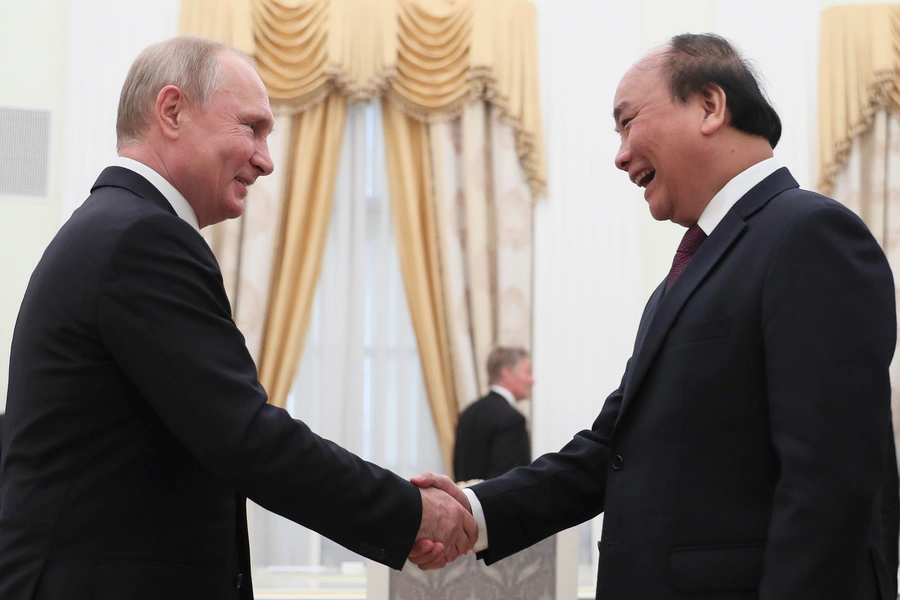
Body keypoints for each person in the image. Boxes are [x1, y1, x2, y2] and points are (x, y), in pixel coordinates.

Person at [410, 33, 900, 598]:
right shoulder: (687, 274)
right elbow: (609, 449)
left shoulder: (809, 235)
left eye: (627, 121)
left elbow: (829, 486)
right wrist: (474, 509)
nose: (619, 154)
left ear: (710, 106)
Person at [0, 35, 473, 600]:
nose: (267, 160)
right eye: (252, 128)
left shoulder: (115, 227)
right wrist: (408, 513)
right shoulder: (142, 237)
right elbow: (246, 437)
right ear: (172, 111)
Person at [453, 347, 533, 482]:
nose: (532, 380)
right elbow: (509, 481)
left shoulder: (469, 412)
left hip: (465, 499)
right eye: (528, 373)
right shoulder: (512, 419)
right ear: (506, 374)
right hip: (494, 502)